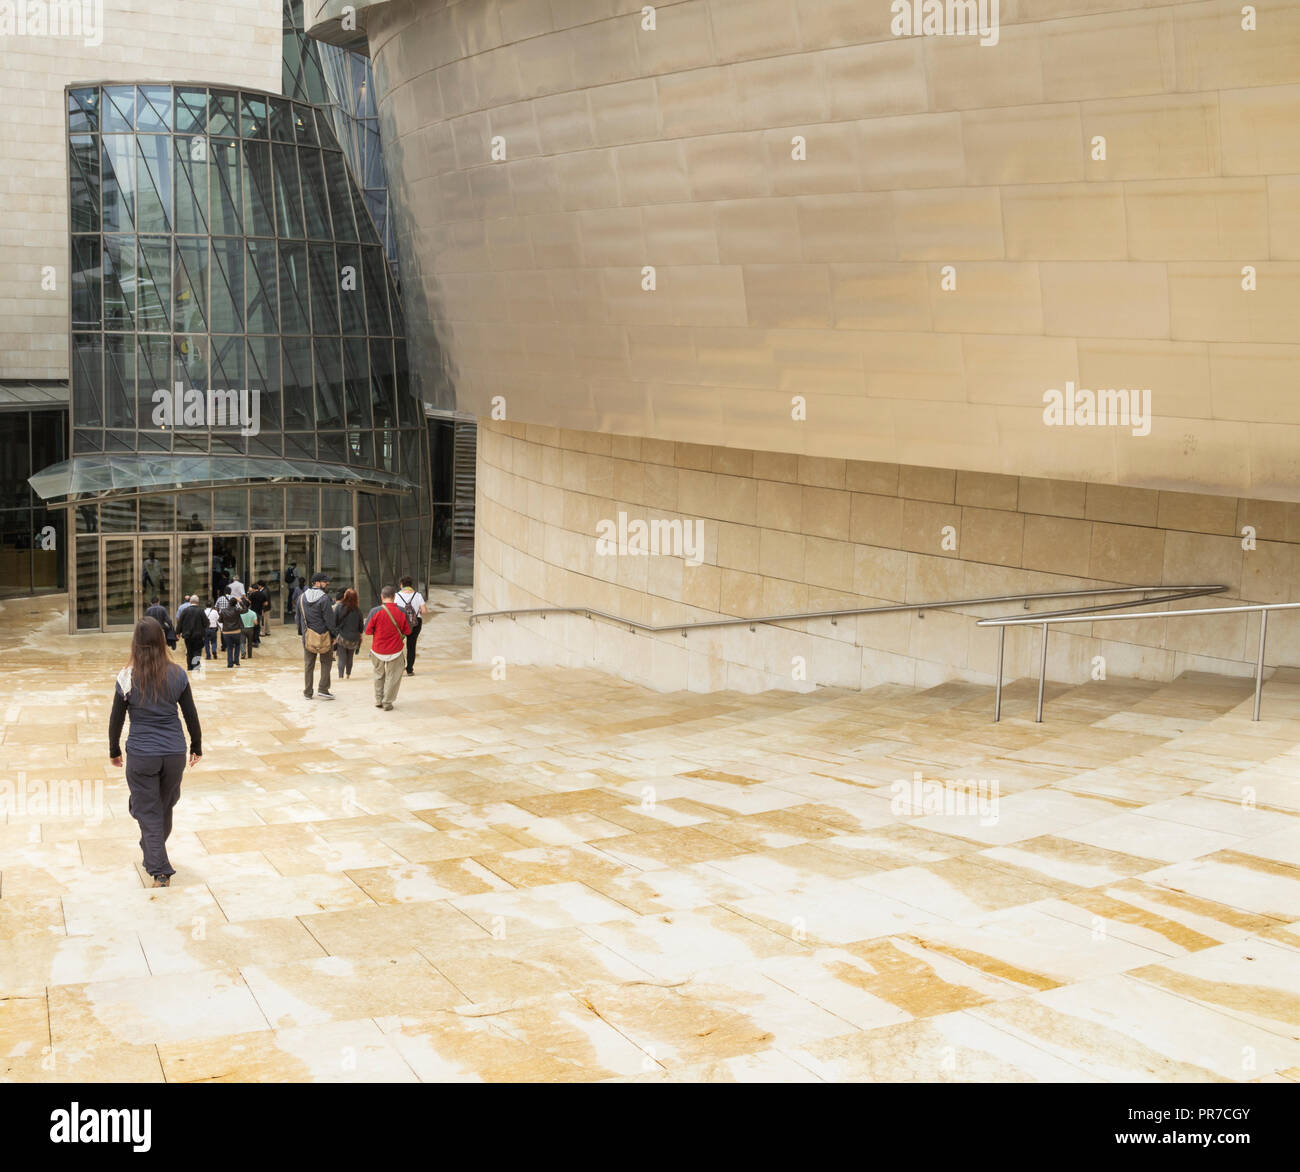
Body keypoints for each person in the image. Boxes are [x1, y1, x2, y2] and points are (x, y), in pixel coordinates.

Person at [108, 617, 202, 887]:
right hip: (174, 753)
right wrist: (197, 746)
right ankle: (153, 848)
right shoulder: (178, 674)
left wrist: (114, 749)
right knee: (163, 806)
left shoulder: (127, 676)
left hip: (142, 754)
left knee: (149, 811)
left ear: (135, 645)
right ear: (163, 642)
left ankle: (159, 868)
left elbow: (116, 719)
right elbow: (190, 714)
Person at [364, 585, 411, 711]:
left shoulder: (374, 611)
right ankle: (387, 702)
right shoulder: (402, 611)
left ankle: (379, 699)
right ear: (394, 597)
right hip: (395, 650)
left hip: (377, 649)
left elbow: (367, 631)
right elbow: (408, 631)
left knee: (378, 675)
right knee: (393, 677)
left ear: (381, 596)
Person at [296, 571, 337, 700]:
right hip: (324, 636)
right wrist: (334, 635)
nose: (327, 583)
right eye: (325, 582)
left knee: (309, 664)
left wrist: (301, 632)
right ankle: (323, 689)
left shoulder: (301, 598)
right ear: (317, 583)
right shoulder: (324, 599)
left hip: (308, 635)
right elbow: (329, 620)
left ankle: (308, 692)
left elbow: (298, 617)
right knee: (326, 662)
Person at [395, 576, 426, 677]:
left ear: (401, 585)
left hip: (401, 623)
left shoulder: (397, 595)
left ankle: (401, 665)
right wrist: (417, 610)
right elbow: (424, 611)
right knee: (411, 646)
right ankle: (409, 670)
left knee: (398, 645)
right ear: (411, 585)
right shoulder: (418, 595)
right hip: (415, 623)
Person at [333, 588, 364, 680]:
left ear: (345, 596)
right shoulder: (358, 610)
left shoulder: (339, 607)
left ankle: (340, 677)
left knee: (342, 657)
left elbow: (334, 623)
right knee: (350, 657)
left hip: (342, 637)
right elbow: (361, 627)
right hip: (354, 638)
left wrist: (334, 636)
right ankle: (348, 675)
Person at [177, 594, 207, 671]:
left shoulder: (185, 611)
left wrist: (178, 632)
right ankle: (196, 667)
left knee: (189, 651)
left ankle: (189, 667)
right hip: (198, 635)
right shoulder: (201, 611)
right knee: (197, 651)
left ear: (190, 602)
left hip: (187, 635)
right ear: (198, 602)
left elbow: (180, 622)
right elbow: (206, 623)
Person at [218, 592, 247, 668]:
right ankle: (236, 662)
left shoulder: (223, 611)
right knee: (237, 646)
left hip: (226, 632)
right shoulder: (237, 610)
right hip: (236, 631)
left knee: (229, 647)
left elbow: (220, 620)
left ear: (229, 603)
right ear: (235, 604)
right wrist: (241, 602)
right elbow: (246, 610)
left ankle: (230, 664)